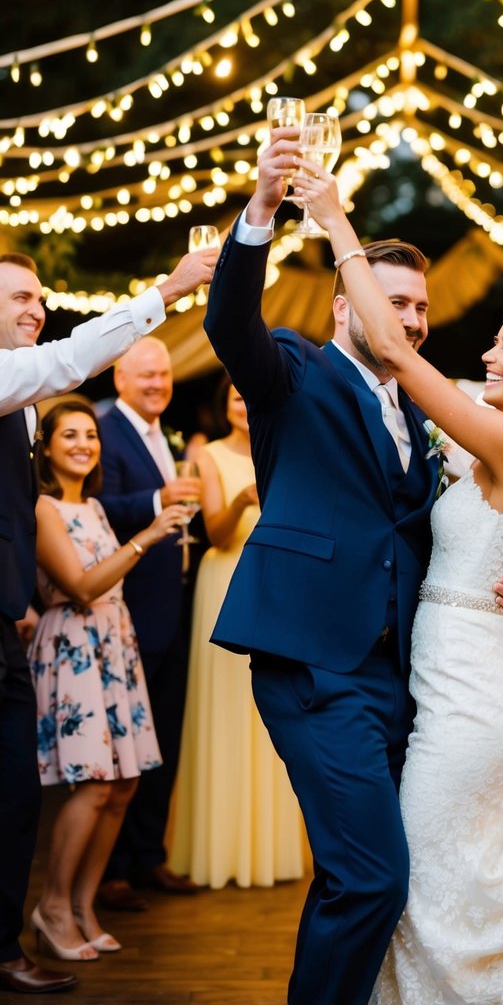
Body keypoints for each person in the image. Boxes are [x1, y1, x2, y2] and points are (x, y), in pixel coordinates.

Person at [203, 130, 503, 1005]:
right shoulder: (292, 372)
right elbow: (226, 321)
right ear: (347, 305)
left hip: (408, 674)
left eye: (422, 308)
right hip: (316, 663)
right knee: (370, 880)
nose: (414, 321)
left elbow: (470, 525)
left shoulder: (430, 412)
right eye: (395, 302)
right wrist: (262, 210)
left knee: (381, 874)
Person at [298, 157, 503, 1003]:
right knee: (439, 881)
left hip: (474, 694)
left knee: (435, 884)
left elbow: (398, 354)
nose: (486, 351)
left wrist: (337, 225)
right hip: (460, 669)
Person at [0, 246, 216, 996]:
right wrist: (170, 289)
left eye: (40, 297)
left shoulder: (22, 406)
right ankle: (43, 919)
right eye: (22, 297)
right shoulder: (14, 381)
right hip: (57, 635)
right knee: (41, 789)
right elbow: (65, 365)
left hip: (29, 627)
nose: (38, 308)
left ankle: (43, 923)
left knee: (41, 791)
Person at [27, 401, 188, 961]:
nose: (83, 444)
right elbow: (80, 585)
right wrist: (148, 535)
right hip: (75, 649)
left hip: (114, 647)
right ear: (46, 447)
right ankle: (50, 906)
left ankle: (82, 905)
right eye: (69, 435)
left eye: (90, 435)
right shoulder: (43, 507)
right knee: (94, 783)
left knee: (124, 785)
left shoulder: (94, 506)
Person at [169, 376, 305, 888]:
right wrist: (247, 496)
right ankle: (220, 849)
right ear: (223, 406)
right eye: (235, 396)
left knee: (272, 712)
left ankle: (269, 852)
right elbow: (217, 533)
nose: (244, 404)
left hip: (277, 586)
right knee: (225, 711)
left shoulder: (290, 448)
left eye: (252, 394)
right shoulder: (207, 457)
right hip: (224, 582)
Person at [96, 338, 201, 910]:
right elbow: (99, 508)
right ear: (120, 378)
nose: (158, 384)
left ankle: (148, 857)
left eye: (163, 375)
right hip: (132, 606)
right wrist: (159, 497)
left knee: (163, 737)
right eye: (146, 376)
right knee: (126, 743)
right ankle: (111, 870)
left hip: (174, 601)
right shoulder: (107, 431)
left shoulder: (165, 433)